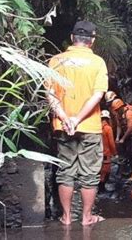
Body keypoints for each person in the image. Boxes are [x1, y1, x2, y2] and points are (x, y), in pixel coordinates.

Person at [46, 21, 107, 226]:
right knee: (89, 174)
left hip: (63, 127)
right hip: (89, 126)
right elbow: (98, 95)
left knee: (66, 172)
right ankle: (86, 217)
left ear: (72, 38)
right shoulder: (98, 63)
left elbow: (51, 94)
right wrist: (78, 118)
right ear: (92, 41)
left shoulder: (56, 60)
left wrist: (65, 118)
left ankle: (66, 217)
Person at [110, 99, 132, 171]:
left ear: (121, 107)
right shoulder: (118, 115)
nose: (116, 111)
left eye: (117, 109)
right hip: (130, 134)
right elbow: (119, 126)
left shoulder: (129, 113)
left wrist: (123, 138)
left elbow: (130, 128)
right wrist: (117, 137)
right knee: (129, 152)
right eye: (115, 110)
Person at [99, 110, 117, 192]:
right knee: (106, 171)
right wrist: (114, 153)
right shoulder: (108, 128)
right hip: (106, 153)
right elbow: (111, 143)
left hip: (97, 153)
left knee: (100, 170)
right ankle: (101, 189)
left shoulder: (97, 127)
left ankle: (99, 188)